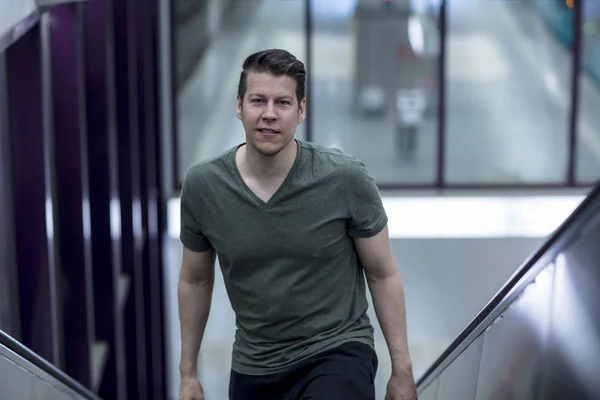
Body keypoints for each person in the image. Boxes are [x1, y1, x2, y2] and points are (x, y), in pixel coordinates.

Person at [178, 48, 418, 400]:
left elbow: (382, 273)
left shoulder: (344, 178)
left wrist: (402, 370)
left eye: (284, 103)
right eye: (258, 101)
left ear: (301, 110)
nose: (270, 115)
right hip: (254, 364)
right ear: (239, 106)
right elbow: (195, 280)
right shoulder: (204, 187)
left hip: (337, 351)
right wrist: (188, 375)